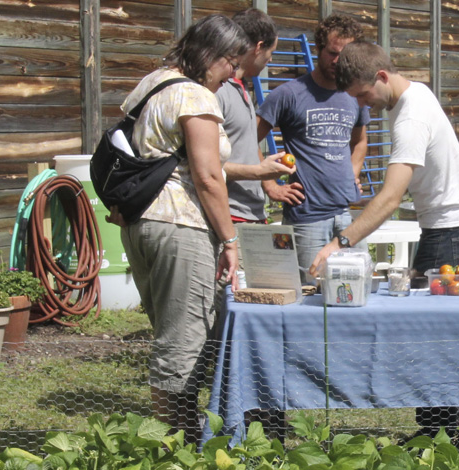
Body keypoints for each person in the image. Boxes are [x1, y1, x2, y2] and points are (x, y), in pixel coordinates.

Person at [307, 41, 459, 446]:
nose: (363, 106)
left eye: (364, 95)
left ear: (382, 77)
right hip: (449, 228)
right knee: (433, 332)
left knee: (442, 336)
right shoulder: (415, 93)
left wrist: (341, 242)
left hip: (452, 233)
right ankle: (440, 427)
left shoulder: (410, 118)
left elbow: (389, 198)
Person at [110, 14, 247, 444]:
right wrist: (229, 240)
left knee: (170, 333)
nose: (235, 74)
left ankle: (176, 434)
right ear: (212, 56)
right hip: (179, 225)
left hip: (141, 223)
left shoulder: (153, 83)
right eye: (231, 62)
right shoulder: (195, 97)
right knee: (183, 341)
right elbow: (207, 178)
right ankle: (178, 444)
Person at [257, 14, 370, 284]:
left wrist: (351, 172)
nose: (337, 61)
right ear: (319, 48)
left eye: (344, 55)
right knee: (312, 293)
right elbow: (248, 139)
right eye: (332, 53)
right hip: (306, 217)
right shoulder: (289, 94)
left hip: (347, 214)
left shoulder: (355, 95)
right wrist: (270, 185)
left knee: (359, 286)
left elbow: (360, 141)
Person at [218, 8, 295, 223]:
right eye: (271, 52)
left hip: (251, 213)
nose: (270, 60)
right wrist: (259, 172)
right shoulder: (219, 90)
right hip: (229, 216)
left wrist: (268, 181)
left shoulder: (240, 88)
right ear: (259, 47)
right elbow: (205, 166)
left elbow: (248, 144)